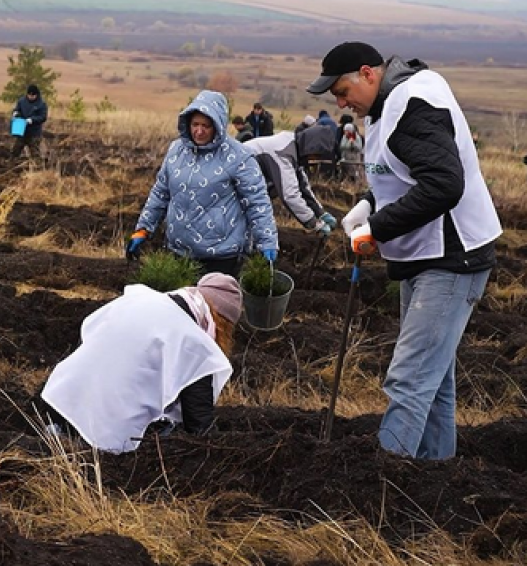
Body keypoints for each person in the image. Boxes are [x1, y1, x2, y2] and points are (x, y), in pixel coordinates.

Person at [310, 41, 501, 460]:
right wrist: (369, 202)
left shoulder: (412, 104)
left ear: (367, 73)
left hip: (452, 256)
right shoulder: (384, 106)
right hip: (424, 256)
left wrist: (378, 227)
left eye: (342, 91)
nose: (340, 103)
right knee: (433, 381)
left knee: (411, 378)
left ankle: (384, 480)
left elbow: (444, 184)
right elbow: (401, 175)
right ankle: (434, 477)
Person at [39, 273, 242, 452]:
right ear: (220, 319)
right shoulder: (192, 340)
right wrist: (219, 449)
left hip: (63, 401)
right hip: (110, 431)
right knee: (165, 430)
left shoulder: (141, 299)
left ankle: (61, 432)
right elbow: (198, 422)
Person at [128, 91, 278, 277]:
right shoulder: (176, 151)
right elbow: (161, 193)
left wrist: (267, 241)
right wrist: (143, 228)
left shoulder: (239, 156)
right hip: (179, 252)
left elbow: (257, 202)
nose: (199, 131)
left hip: (222, 257)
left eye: (206, 126)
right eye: (195, 125)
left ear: (218, 125)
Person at [243, 132, 338, 236]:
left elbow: (303, 187)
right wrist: (314, 223)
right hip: (239, 172)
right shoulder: (282, 152)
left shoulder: (295, 148)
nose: (314, 160)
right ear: (310, 149)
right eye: (315, 156)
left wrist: (320, 213)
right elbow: (290, 195)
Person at [11, 84, 49, 159]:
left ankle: (36, 164)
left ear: (37, 95)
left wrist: (32, 120)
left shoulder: (41, 104)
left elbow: (43, 117)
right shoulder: (21, 101)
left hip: (34, 132)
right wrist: (15, 113)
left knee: (35, 153)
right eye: (29, 95)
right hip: (22, 131)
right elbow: (17, 109)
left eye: (33, 95)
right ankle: (12, 162)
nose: (31, 97)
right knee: (15, 150)